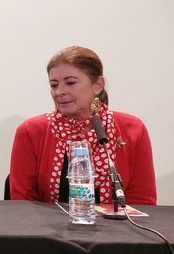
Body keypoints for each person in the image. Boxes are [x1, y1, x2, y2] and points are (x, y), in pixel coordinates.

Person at [9, 46, 156, 205]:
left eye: (70, 83)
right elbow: (22, 205)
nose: (59, 92)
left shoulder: (133, 129)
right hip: (49, 229)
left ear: (97, 85)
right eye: (53, 85)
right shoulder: (31, 131)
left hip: (118, 229)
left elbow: (143, 203)